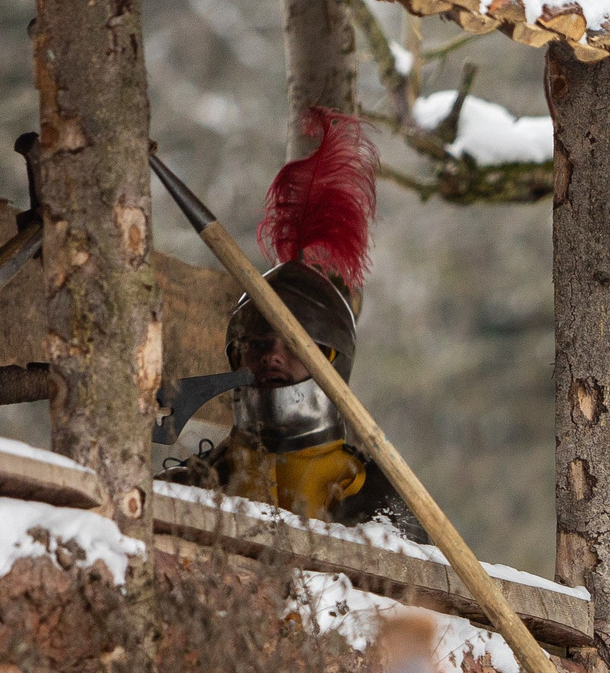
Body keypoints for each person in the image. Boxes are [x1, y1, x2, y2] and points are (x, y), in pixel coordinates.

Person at [160, 109, 418, 532]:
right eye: (258, 344)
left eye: (296, 346)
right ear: (235, 355)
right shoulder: (192, 485)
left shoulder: (375, 497)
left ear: (332, 359)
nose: (272, 358)